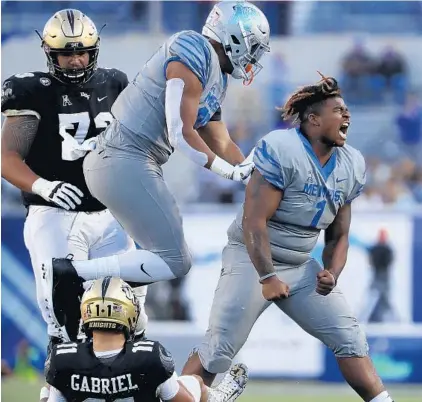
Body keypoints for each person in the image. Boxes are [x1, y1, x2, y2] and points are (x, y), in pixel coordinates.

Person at [41, 1, 270, 323]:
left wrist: (256, 178)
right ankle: (72, 274)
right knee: (176, 261)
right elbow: (180, 133)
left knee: (161, 266)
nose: (254, 57)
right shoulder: (193, 49)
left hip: (130, 162)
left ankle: (84, 283)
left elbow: (221, 141)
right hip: (123, 158)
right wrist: (226, 171)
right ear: (235, 36)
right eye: (254, 47)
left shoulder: (217, 76)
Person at [182, 75, 396, 402]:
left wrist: (332, 274)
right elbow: (255, 222)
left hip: (298, 264)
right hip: (252, 258)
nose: (347, 117)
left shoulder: (351, 164)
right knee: (219, 349)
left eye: (347, 110)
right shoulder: (282, 148)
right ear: (313, 119)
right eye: (338, 110)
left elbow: (339, 236)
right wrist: (267, 276)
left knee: (351, 338)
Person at [1, 8, 148, 400]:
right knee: (66, 319)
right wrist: (43, 186)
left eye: (82, 51)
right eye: (66, 53)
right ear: (50, 53)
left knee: (128, 311)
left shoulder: (115, 83)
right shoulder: (31, 89)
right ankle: (59, 393)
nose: (76, 60)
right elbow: (7, 157)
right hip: (55, 213)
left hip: (109, 213)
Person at [45, 276, 249, 402]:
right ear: (129, 314)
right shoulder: (149, 356)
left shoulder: (63, 360)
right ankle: (216, 399)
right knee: (192, 382)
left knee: (49, 391)